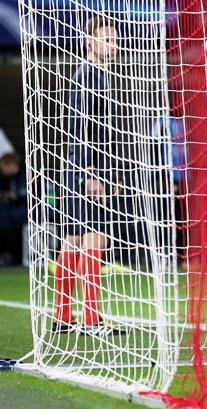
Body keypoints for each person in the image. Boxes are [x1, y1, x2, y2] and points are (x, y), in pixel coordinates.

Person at [52, 16, 124, 335]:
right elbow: (81, 129)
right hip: (85, 168)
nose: (113, 43)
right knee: (95, 238)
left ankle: (63, 316)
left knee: (72, 240)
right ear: (89, 42)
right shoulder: (90, 76)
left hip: (78, 168)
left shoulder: (95, 76)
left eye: (115, 38)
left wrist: (110, 172)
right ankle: (92, 320)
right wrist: (93, 174)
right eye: (105, 38)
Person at [0, 152, 28, 265]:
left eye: (2, 167)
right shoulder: (11, 178)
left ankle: (9, 253)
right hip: (16, 206)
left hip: (30, 209)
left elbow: (35, 196)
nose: (2, 171)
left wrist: (16, 197)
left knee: (5, 219)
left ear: (10, 165)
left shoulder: (26, 174)